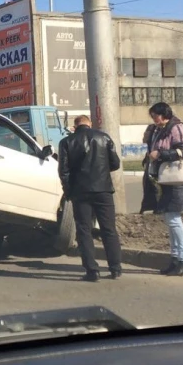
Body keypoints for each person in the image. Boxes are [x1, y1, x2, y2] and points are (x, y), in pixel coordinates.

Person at [58, 115, 123, 282]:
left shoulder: (66, 142)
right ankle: (115, 268)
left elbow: (63, 171)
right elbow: (115, 163)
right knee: (109, 229)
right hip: (104, 190)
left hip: (80, 191)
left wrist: (68, 191)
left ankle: (92, 270)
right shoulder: (104, 137)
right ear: (90, 124)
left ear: (75, 126)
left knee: (84, 230)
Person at [146, 102, 183, 277]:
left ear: (163, 114)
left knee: (174, 220)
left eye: (154, 116)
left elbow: (182, 151)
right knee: (169, 219)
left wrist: (160, 154)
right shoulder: (158, 129)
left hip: (176, 180)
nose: (153, 119)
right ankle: (175, 260)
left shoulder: (176, 128)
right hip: (164, 179)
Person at [138, 123, 160, 214]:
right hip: (150, 163)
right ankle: (148, 207)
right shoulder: (151, 143)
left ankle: (156, 208)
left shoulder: (157, 136)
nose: (145, 135)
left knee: (155, 186)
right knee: (148, 185)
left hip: (156, 165)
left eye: (147, 132)